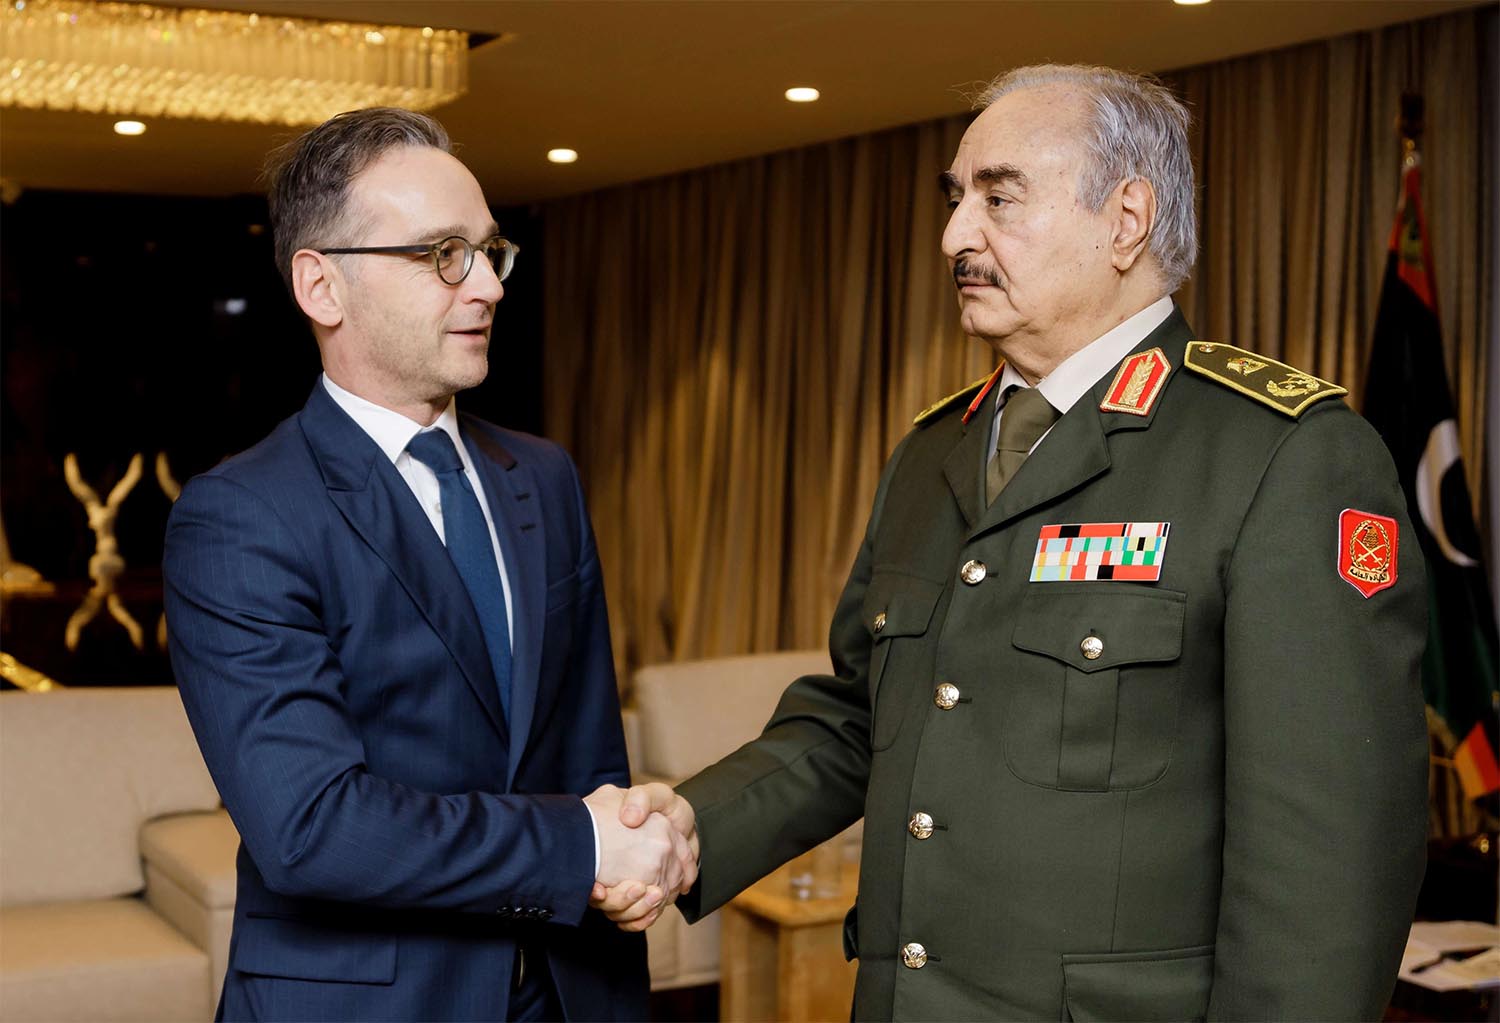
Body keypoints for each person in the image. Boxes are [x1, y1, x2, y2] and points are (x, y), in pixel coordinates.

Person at [599, 64, 1430, 1019]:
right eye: (956, 200)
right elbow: (864, 719)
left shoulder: (1281, 456)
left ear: (1125, 221)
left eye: (999, 196)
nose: (955, 234)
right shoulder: (933, 450)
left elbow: (1331, 869)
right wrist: (695, 824)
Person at [163, 108, 691, 1023]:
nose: (485, 285)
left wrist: (637, 838)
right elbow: (313, 827)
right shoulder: (240, 516)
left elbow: (585, 752)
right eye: (443, 253)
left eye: (490, 251)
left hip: (573, 989)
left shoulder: (545, 476)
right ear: (321, 286)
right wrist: (580, 847)